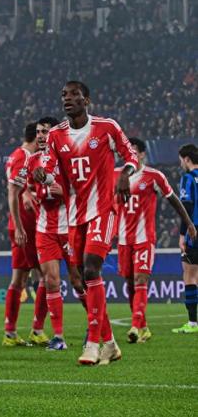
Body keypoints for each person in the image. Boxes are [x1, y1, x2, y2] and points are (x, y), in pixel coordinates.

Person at [33, 80, 138, 365]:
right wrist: (43, 174)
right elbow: (48, 167)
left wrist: (125, 173)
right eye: (64, 95)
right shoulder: (56, 135)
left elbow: (130, 155)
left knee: (91, 268)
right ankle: (110, 344)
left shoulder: (106, 127)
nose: (67, 99)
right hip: (75, 216)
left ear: (86, 100)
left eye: (74, 94)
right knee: (80, 279)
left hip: (102, 210)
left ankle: (92, 343)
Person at [115, 138, 195, 342]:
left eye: (134, 151)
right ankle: (143, 327)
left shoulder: (154, 176)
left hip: (145, 239)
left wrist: (188, 223)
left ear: (142, 154)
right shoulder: (115, 175)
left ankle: (135, 326)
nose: (131, 155)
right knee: (130, 283)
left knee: (140, 279)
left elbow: (174, 199)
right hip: (123, 240)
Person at [28, 117, 88, 351]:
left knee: (78, 280)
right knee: (51, 280)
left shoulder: (68, 157)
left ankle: (96, 325)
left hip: (69, 227)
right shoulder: (33, 160)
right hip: (45, 230)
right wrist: (29, 195)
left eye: (45, 132)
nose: (41, 136)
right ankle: (59, 337)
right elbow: (29, 187)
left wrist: (64, 192)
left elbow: (81, 189)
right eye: (38, 132)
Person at [4, 122, 48, 347]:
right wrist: (20, 227)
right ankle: (36, 329)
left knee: (20, 278)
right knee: (47, 276)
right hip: (26, 226)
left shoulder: (16, 155)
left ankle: (11, 332)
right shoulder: (24, 157)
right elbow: (14, 192)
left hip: (22, 224)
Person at [173, 144, 198, 333]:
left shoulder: (188, 178)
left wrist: (183, 234)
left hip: (194, 231)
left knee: (190, 274)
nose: (181, 163)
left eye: (181, 159)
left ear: (187, 159)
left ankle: (192, 323)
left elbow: (186, 207)